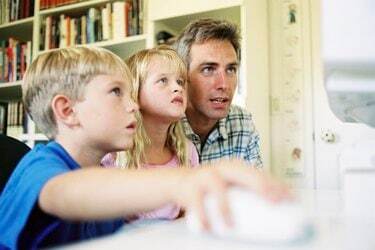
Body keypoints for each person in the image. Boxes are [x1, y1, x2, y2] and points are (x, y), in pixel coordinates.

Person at [0, 47, 288, 249]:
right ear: (67, 110)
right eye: (116, 92)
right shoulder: (41, 169)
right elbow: (66, 192)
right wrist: (183, 180)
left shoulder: (103, 177)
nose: (134, 105)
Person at [102, 46, 199, 220]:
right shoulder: (113, 155)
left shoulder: (188, 152)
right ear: (135, 93)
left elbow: (188, 216)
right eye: (163, 80)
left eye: (180, 81)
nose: (178, 88)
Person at [174, 18, 263, 167]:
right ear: (182, 76)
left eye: (230, 69)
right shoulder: (162, 125)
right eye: (208, 69)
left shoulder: (242, 122)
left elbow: (254, 189)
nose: (224, 84)